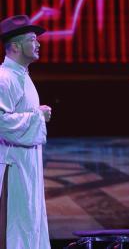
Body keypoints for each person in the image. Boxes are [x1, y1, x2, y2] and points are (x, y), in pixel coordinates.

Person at [0, 15, 52, 249]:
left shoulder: (21, 76)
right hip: (13, 168)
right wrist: (38, 117)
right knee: (16, 226)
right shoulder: (5, 78)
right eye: (32, 39)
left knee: (29, 222)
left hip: (27, 165)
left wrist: (35, 115)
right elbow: (1, 122)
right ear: (15, 46)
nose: (38, 43)